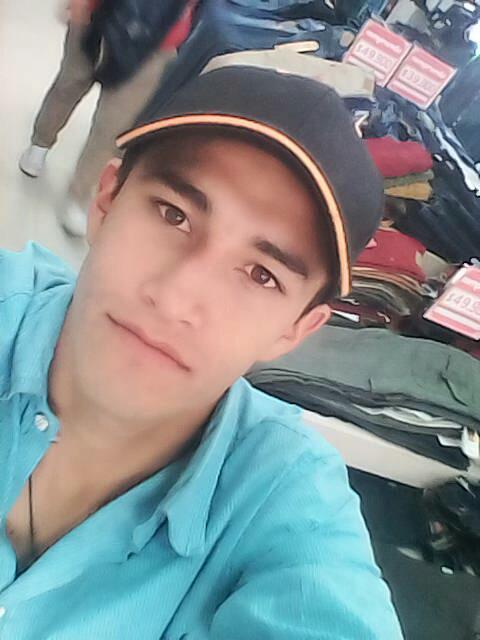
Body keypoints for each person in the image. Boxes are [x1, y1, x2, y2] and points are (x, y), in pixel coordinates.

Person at [1, 66, 404, 638]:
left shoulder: (287, 504)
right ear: (107, 199)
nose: (175, 299)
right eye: (175, 214)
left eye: (261, 275)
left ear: (296, 329)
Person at [18, 0, 196, 237]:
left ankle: (79, 193)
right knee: (69, 85)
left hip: (158, 37)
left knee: (114, 123)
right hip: (98, 15)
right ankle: (40, 142)